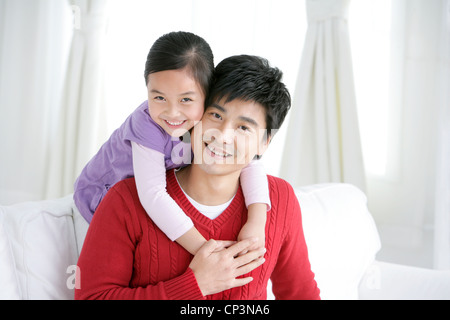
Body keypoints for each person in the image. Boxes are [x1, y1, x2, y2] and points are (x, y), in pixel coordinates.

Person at [75, 55, 320, 300]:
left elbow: (301, 294)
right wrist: (195, 285)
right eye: (215, 115)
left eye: (243, 128)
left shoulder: (280, 199)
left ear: (265, 142)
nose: (222, 135)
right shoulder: (126, 198)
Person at [73, 32, 270, 255]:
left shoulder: (202, 116)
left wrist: (256, 220)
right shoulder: (147, 123)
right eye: (159, 97)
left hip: (140, 201)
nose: (173, 113)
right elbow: (153, 194)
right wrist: (206, 251)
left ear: (206, 95)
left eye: (186, 99)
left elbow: (250, 162)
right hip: (98, 200)